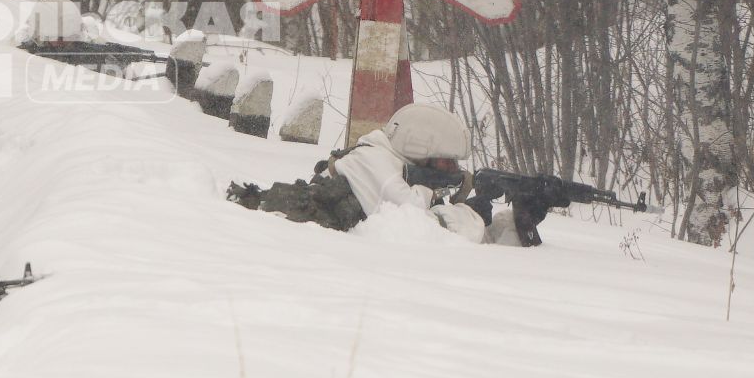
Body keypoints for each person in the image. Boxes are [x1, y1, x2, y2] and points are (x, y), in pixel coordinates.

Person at [227, 103, 548, 246]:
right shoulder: (376, 161)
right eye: (446, 163)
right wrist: (470, 212)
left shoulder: (391, 159)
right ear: (421, 148)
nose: (453, 171)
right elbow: (411, 218)